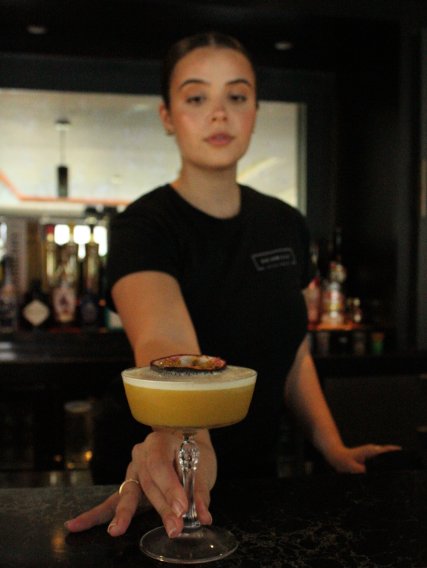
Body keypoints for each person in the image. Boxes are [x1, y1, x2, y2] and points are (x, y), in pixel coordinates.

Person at [65, 32, 399, 539]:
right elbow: (162, 338)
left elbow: (292, 351)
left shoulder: (285, 223)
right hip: (157, 478)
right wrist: (191, 439)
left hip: (257, 480)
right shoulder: (144, 226)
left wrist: (333, 447)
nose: (219, 114)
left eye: (236, 96)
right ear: (167, 117)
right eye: (197, 98)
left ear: (255, 112)